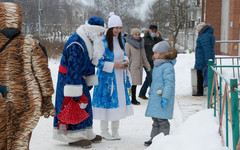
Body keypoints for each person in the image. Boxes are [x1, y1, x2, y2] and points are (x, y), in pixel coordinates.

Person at [0, 2, 55, 149]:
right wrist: (47, 100)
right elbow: (43, 74)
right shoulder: (30, 44)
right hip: (26, 101)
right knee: (20, 140)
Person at [53, 16, 106, 148]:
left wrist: (89, 81)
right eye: (100, 33)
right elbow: (73, 68)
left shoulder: (89, 40)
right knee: (72, 105)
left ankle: (87, 132)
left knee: (85, 104)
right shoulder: (76, 43)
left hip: (79, 78)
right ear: (93, 31)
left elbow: (89, 63)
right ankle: (73, 136)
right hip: (69, 79)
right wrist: (75, 93)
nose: (101, 35)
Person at [92, 12, 134, 140]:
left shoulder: (121, 39)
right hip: (106, 79)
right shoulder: (102, 41)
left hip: (120, 76)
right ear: (110, 28)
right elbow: (96, 61)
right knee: (107, 103)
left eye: (120, 28)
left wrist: (125, 61)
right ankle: (104, 130)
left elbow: (124, 54)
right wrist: (113, 65)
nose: (118, 30)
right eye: (116, 28)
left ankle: (115, 130)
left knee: (118, 102)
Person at [144, 41, 176, 146]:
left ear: (162, 53)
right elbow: (156, 81)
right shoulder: (158, 65)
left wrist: (165, 97)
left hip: (162, 97)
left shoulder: (167, 66)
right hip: (156, 97)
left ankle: (163, 141)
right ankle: (154, 139)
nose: (153, 55)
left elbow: (169, 83)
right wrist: (151, 91)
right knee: (156, 119)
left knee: (162, 120)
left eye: (155, 53)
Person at [125, 28, 151, 105]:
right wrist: (127, 67)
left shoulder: (141, 44)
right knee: (132, 83)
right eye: (135, 34)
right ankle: (132, 99)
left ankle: (133, 98)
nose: (137, 36)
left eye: (138, 34)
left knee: (135, 84)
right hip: (132, 66)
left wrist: (147, 66)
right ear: (132, 35)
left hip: (139, 67)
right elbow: (127, 56)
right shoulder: (128, 44)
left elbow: (144, 56)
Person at [138, 25, 163, 100]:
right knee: (152, 78)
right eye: (152, 31)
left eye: (155, 31)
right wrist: (142, 61)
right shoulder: (144, 39)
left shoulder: (157, 39)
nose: (153, 33)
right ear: (149, 31)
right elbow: (141, 51)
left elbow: (163, 45)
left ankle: (142, 93)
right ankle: (154, 95)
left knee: (148, 78)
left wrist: (158, 37)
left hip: (155, 62)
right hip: (146, 62)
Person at [192, 22, 215, 96]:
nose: (198, 32)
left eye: (198, 30)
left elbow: (207, 49)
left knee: (200, 74)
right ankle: (211, 90)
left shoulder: (204, 36)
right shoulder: (207, 35)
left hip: (202, 59)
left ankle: (200, 91)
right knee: (207, 74)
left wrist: (208, 60)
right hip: (202, 58)